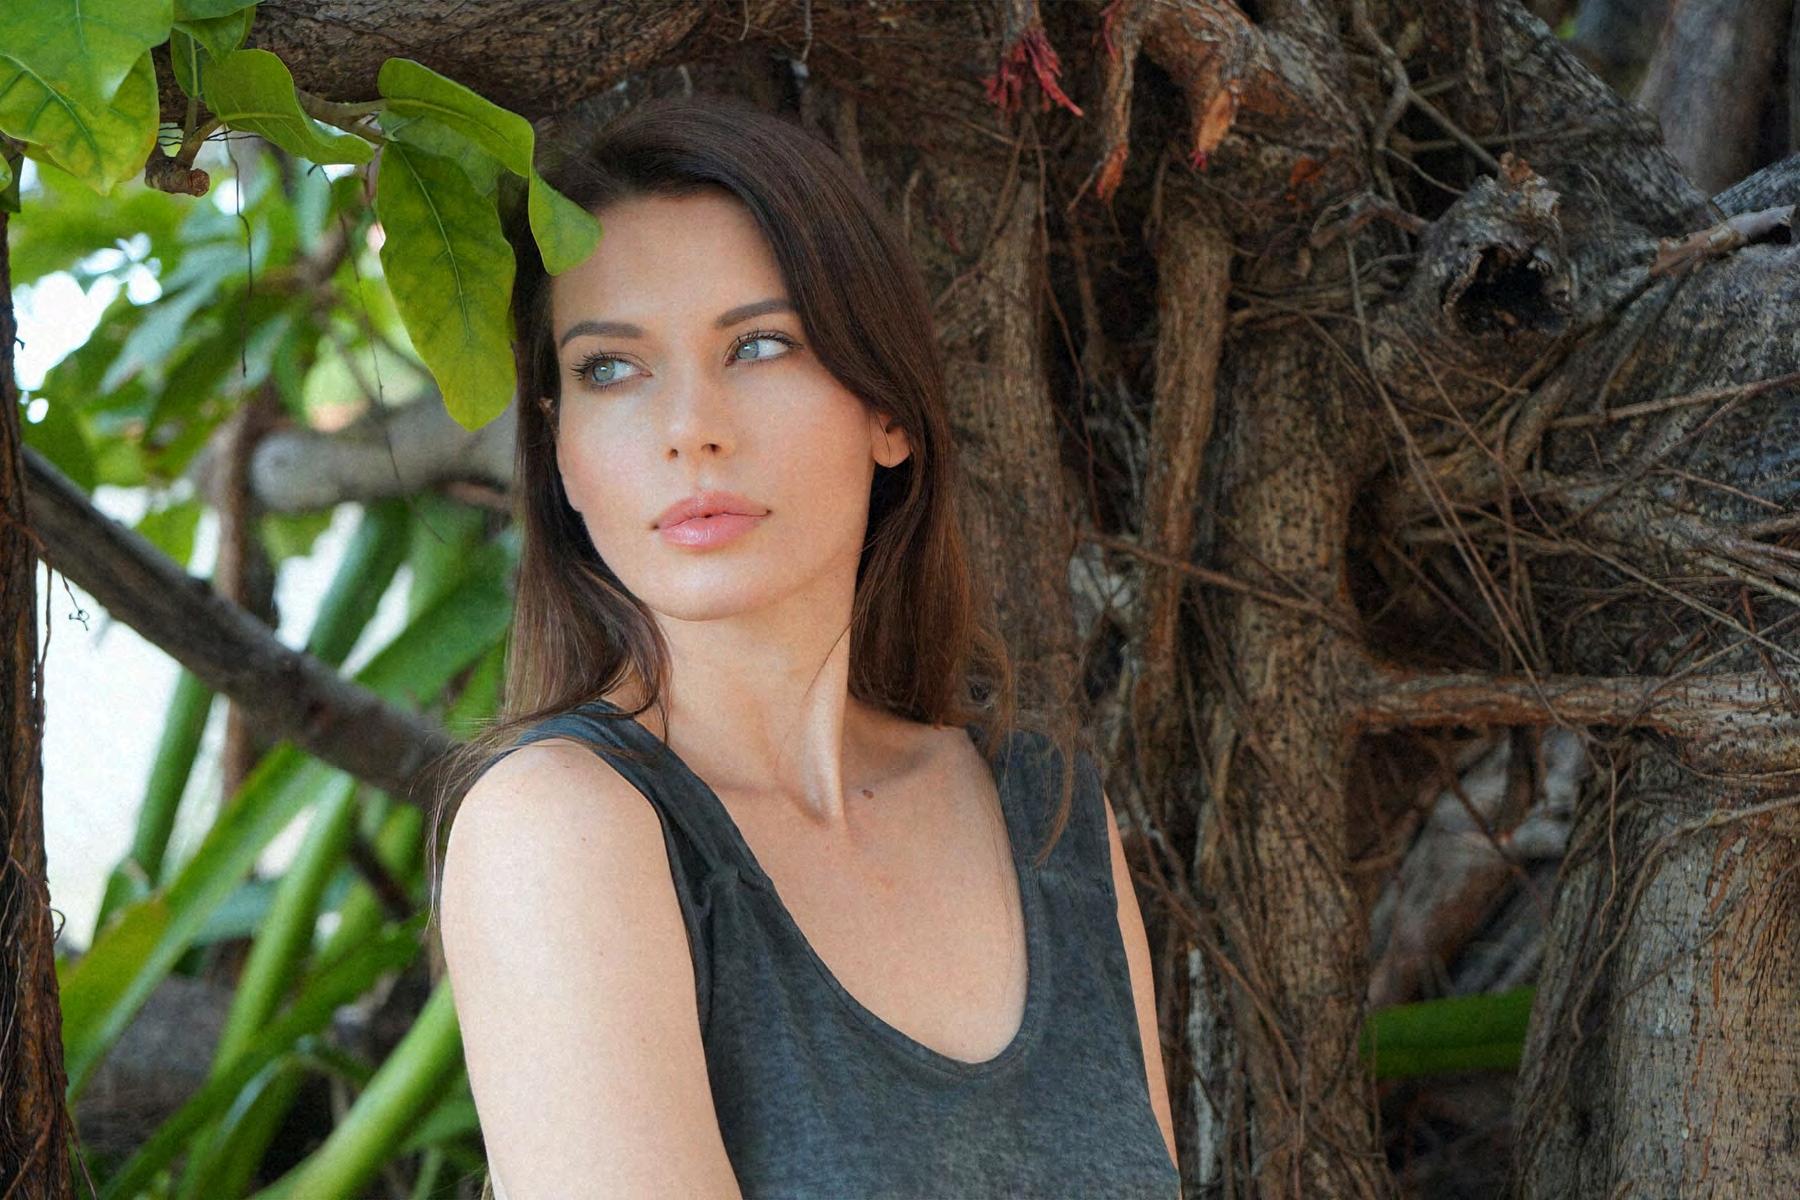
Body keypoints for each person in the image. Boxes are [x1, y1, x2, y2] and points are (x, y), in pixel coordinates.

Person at [424, 92, 1180, 1199]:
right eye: (611, 369)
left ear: (889, 412)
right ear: (562, 454)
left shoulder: (1048, 812)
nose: (690, 428)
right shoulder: (558, 830)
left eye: (760, 345)